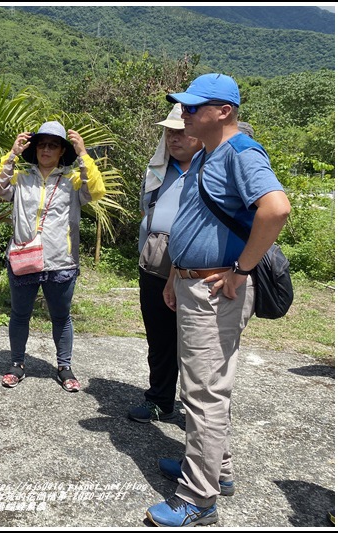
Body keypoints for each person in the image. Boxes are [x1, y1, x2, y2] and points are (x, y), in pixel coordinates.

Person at [145, 73, 291, 527]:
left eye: (192, 107)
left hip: (215, 288)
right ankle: (216, 470)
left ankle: (198, 498)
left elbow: (276, 208)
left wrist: (242, 270)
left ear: (223, 111)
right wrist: (173, 274)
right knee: (204, 385)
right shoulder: (208, 154)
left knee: (204, 392)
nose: (183, 114)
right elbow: (192, 220)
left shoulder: (241, 152)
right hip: (191, 281)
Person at [0, 121, 105, 392]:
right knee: (20, 314)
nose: (46, 149)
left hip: (60, 260)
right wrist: (13, 154)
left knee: (61, 316)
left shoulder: (74, 181)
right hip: (23, 257)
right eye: (42, 144)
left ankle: (64, 366)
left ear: (62, 150)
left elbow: (97, 190)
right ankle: (17, 363)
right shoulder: (21, 178)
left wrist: (84, 153)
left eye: (53, 145)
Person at [128, 103, 202, 424]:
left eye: (182, 131)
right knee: (159, 340)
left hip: (195, 268)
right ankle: (159, 400)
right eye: (170, 131)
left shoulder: (209, 170)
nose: (174, 138)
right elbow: (147, 211)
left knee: (196, 344)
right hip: (154, 265)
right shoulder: (157, 170)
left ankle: (198, 412)